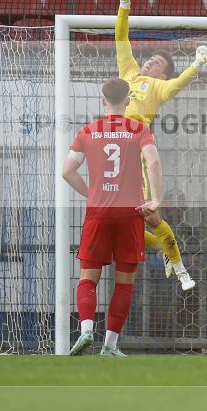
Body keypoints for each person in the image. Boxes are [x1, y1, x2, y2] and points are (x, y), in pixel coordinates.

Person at [113, 0, 207, 292]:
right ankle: (165, 252)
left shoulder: (157, 88)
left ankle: (179, 267)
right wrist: (125, 5)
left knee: (149, 215)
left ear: (163, 75)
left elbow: (178, 85)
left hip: (134, 152)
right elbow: (121, 38)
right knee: (119, 223)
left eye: (158, 63)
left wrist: (195, 65)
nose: (151, 61)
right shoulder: (129, 73)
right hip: (112, 151)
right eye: (151, 58)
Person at [63, 77, 163, 357]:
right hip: (130, 212)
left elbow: (67, 172)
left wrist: (92, 193)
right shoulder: (139, 129)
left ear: (103, 100)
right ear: (128, 100)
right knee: (124, 281)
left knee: (88, 276)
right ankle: (109, 345)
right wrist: (156, 199)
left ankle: (85, 330)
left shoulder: (87, 131)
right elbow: (153, 161)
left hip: (99, 212)